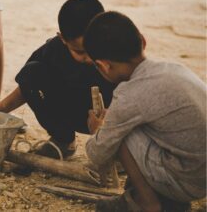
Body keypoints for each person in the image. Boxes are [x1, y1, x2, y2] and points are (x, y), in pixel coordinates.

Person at [84, 11, 206, 211]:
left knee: (121, 134)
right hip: (200, 173)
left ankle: (148, 203)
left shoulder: (129, 94)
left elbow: (97, 153)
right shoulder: (172, 68)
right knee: (132, 126)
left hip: (188, 183)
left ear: (103, 65)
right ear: (142, 40)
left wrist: (98, 129)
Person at [0, 0, 116, 159]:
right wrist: (2, 106)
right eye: (80, 52)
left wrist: (112, 123)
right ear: (62, 39)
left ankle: (119, 150)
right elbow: (28, 82)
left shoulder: (117, 50)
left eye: (93, 48)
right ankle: (63, 141)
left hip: (114, 118)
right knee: (31, 72)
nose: (89, 58)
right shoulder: (54, 50)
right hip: (78, 114)